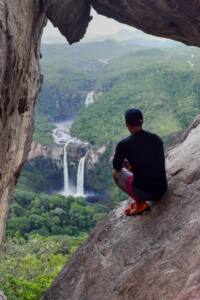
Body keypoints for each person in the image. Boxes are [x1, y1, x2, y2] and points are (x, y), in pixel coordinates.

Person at [112, 108, 168, 216]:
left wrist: (126, 163)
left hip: (144, 193)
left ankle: (140, 204)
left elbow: (116, 166)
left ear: (126, 124)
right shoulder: (156, 138)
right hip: (162, 189)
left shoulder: (124, 145)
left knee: (115, 173)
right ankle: (140, 199)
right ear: (142, 121)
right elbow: (151, 161)